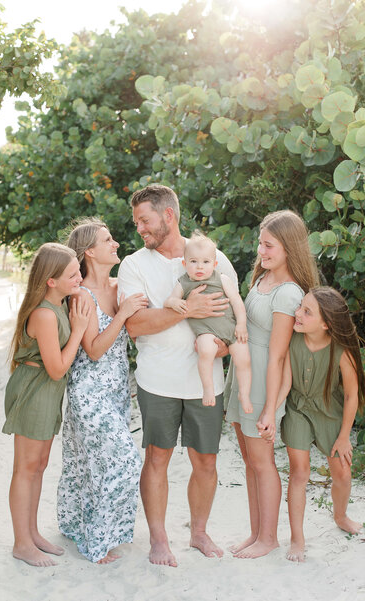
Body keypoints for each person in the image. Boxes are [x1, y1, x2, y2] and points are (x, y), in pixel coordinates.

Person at [117, 184, 238, 567]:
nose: (139, 228)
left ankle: (199, 533)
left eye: (145, 220)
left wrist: (221, 346)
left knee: (206, 461)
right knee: (157, 458)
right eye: (137, 222)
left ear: (168, 216)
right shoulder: (135, 265)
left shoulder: (213, 257)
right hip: (157, 380)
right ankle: (159, 540)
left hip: (206, 382)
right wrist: (188, 309)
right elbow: (134, 325)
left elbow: (234, 317)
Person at [224, 210, 319, 559]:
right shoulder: (261, 279)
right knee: (249, 460)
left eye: (269, 245)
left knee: (263, 462)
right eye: (260, 243)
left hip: (265, 382)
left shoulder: (289, 293)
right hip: (242, 376)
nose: (261, 251)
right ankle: (256, 532)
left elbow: (279, 356)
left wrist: (269, 408)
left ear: (288, 247)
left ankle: (269, 538)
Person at [57, 218, 148, 564]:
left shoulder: (118, 284)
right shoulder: (81, 295)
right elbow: (93, 349)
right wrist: (123, 314)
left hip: (117, 392)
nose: (116, 244)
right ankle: (96, 542)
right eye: (107, 240)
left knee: (88, 463)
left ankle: (76, 524)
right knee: (122, 462)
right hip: (89, 391)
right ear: (89, 252)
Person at [3, 242, 90, 567]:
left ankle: (32, 534)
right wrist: (79, 330)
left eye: (78, 271)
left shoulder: (58, 306)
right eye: (71, 274)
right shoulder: (43, 313)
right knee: (26, 469)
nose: (78, 277)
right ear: (51, 280)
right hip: (35, 389)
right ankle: (21, 543)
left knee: (38, 466)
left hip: (47, 391)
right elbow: (56, 368)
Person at [275, 287, 364, 562]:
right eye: (300, 306)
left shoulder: (342, 351)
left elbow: (351, 395)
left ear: (326, 324)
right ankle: (297, 539)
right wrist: (271, 412)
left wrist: (344, 436)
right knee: (299, 472)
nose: (297, 313)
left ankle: (340, 516)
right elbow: (286, 382)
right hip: (298, 409)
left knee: (343, 474)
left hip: (331, 414)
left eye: (306, 311)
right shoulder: (292, 339)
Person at [164, 231, 252, 412]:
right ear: (184, 263)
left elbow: (237, 302)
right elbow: (169, 300)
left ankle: (244, 394)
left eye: (205, 262)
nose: (199, 267)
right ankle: (208, 389)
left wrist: (241, 324)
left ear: (215, 264)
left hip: (231, 329)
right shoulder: (184, 283)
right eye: (193, 261)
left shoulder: (222, 278)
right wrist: (176, 302)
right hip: (207, 332)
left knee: (243, 359)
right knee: (205, 351)